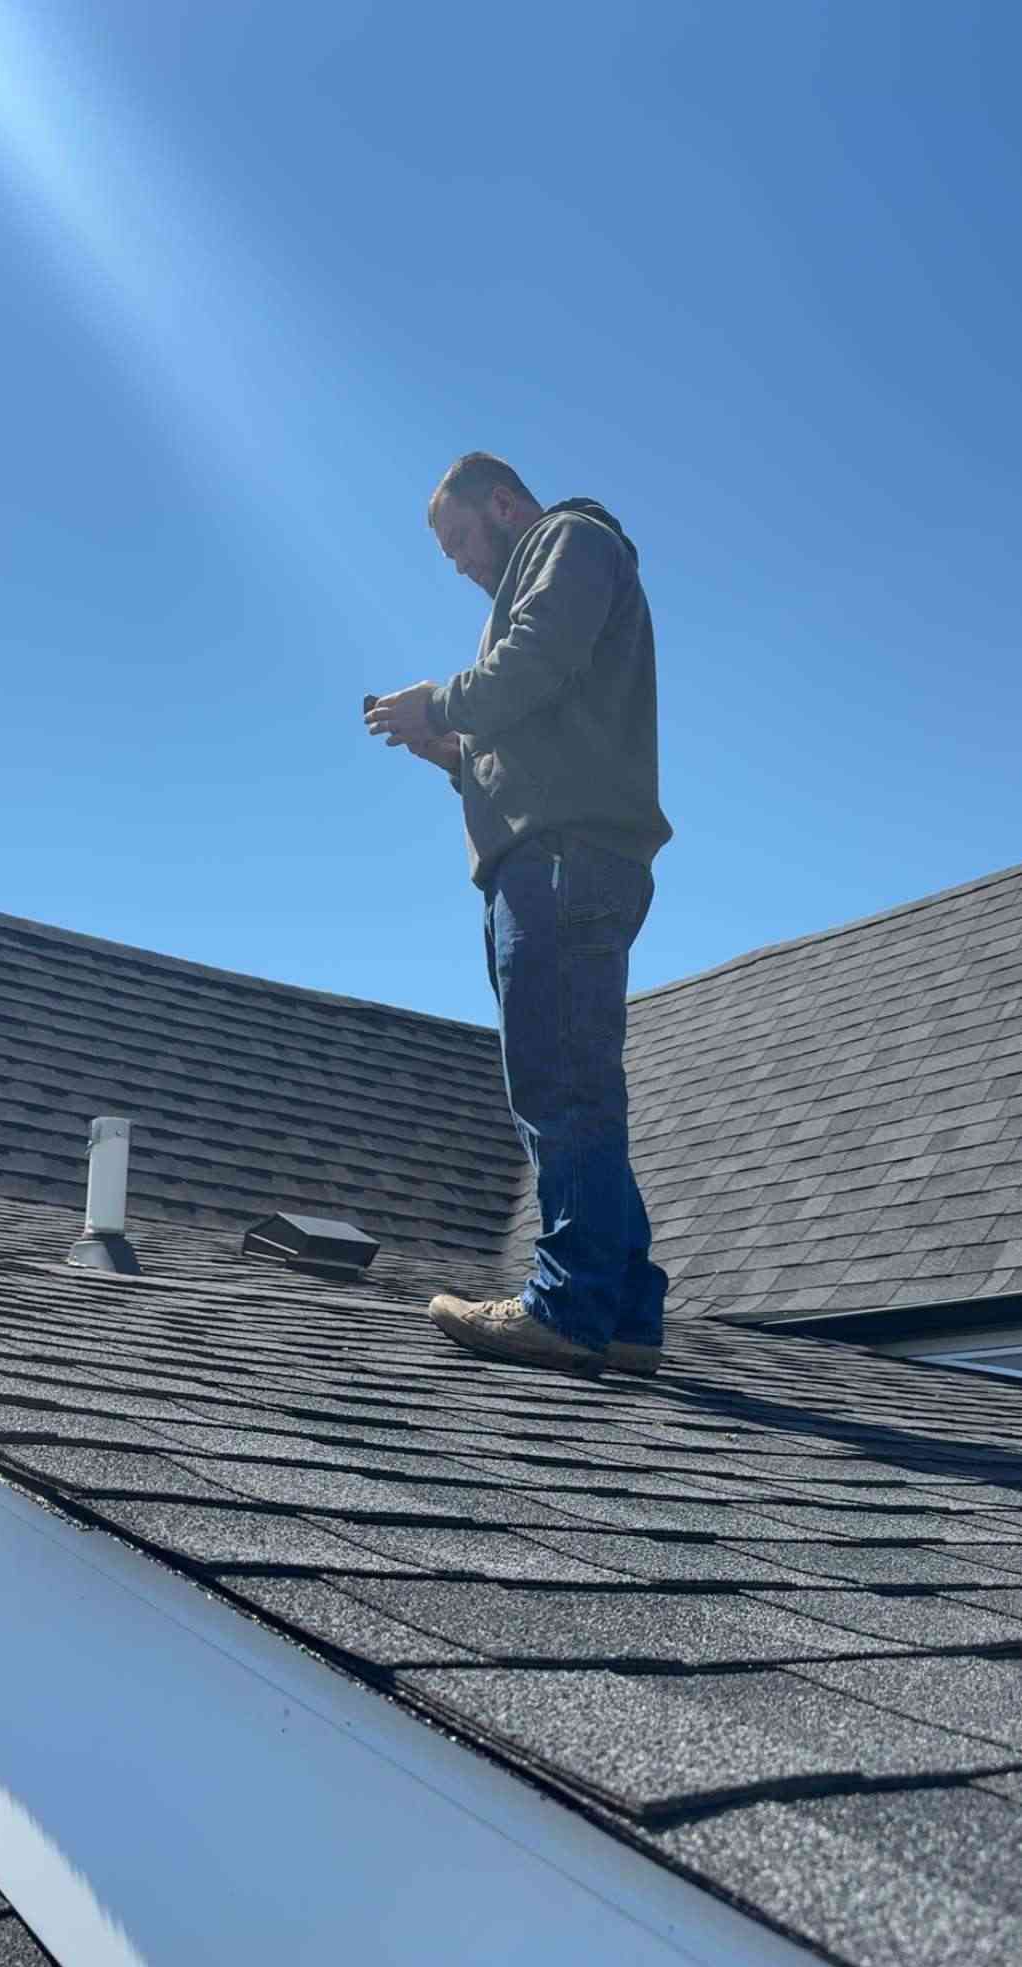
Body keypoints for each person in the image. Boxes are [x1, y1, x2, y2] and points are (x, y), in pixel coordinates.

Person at [364, 452, 672, 1381]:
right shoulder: (561, 569)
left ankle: (568, 1309)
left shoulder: (568, 540)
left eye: (460, 537)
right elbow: (537, 720)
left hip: (562, 864)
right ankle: (619, 1314)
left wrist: (441, 700)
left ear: (503, 504)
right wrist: (453, 755)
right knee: (572, 1083)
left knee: (560, 1086)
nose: (458, 562)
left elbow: (528, 662)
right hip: (556, 859)